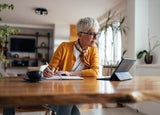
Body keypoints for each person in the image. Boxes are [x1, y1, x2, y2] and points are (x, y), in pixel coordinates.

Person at [43, 17, 100, 115]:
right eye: (91, 34)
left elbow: (95, 72)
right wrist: (48, 71)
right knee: (67, 102)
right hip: (59, 92)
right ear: (79, 34)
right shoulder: (64, 47)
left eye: (97, 34)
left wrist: (70, 73)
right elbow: (51, 67)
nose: (95, 38)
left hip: (81, 93)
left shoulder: (93, 50)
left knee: (67, 102)